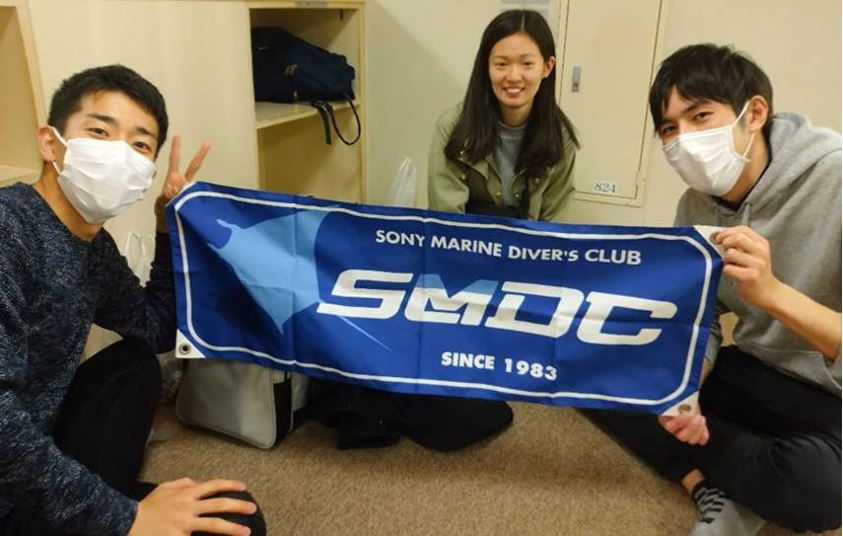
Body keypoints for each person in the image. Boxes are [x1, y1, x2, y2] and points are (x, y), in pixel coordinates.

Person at [584, 44, 841, 535]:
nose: (685, 139)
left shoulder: (835, 178)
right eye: (669, 129)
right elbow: (698, 317)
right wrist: (685, 391)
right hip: (757, 371)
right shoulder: (694, 207)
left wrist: (772, 294)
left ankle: (732, 473)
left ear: (754, 114)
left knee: (822, 489)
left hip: (832, 394)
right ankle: (710, 482)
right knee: (601, 372)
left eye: (700, 116)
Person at [0, 65, 266, 536]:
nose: (119, 154)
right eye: (100, 132)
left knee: (136, 366)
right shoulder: (9, 228)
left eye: (139, 145)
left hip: (31, 458)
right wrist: (127, 518)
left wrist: (167, 228)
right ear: (50, 143)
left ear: (146, 175)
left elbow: (155, 327)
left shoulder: (91, 245)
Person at [427, 9, 579, 221]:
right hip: (464, 241)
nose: (514, 76)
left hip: (528, 242)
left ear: (547, 67)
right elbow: (446, 221)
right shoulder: (453, 127)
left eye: (527, 64)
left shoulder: (560, 138)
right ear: (486, 66)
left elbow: (553, 227)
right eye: (501, 64)